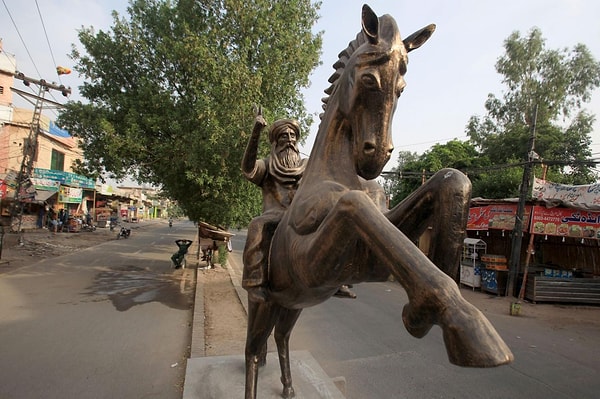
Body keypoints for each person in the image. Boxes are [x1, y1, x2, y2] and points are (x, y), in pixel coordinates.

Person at [241, 109, 355, 302]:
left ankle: (337, 278)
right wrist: (255, 132)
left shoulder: (306, 165)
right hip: (276, 215)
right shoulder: (267, 165)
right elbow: (248, 169)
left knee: (336, 222)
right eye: (284, 135)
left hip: (303, 213)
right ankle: (255, 281)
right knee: (257, 225)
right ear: (276, 141)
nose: (290, 139)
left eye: (293, 135)